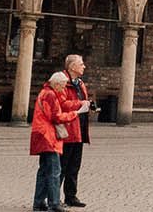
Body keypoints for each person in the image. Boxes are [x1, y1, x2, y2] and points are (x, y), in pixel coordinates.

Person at [29, 71, 81, 212]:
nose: (63, 89)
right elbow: (56, 117)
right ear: (57, 84)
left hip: (41, 134)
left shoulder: (44, 92)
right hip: (48, 137)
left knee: (44, 171)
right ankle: (54, 203)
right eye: (63, 86)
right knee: (54, 171)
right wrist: (74, 114)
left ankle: (39, 202)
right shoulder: (50, 95)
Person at [61, 53, 92, 209]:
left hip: (79, 130)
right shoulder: (62, 83)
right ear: (72, 67)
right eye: (81, 64)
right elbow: (61, 103)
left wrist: (88, 106)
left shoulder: (80, 83)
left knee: (74, 167)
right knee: (61, 167)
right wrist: (80, 104)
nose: (84, 66)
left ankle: (70, 196)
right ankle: (53, 197)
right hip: (67, 131)